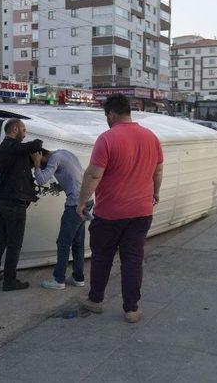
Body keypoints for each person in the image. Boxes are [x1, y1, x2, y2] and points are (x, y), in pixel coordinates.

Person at [76, 93, 164, 324]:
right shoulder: (151, 137)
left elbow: (94, 174)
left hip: (110, 213)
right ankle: (132, 309)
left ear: (111, 114)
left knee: (102, 257)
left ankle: (95, 300)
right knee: (133, 260)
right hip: (142, 212)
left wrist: (82, 201)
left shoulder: (106, 139)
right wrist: (155, 193)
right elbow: (158, 170)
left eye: (107, 115)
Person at [0, 119, 43, 291]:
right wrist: (37, 151)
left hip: (4, 202)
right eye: (23, 129)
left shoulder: (10, 150)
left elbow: (24, 160)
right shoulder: (10, 146)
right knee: (15, 243)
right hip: (14, 204)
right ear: (14, 129)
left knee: (3, 237)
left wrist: (35, 162)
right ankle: (9, 281)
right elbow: (36, 144)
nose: (25, 133)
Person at [32, 148, 92, 290]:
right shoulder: (64, 153)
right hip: (87, 199)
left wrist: (36, 163)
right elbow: (75, 175)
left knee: (63, 243)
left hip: (75, 203)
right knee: (77, 241)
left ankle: (58, 280)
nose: (43, 167)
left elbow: (41, 180)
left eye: (42, 164)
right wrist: (60, 186)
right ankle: (78, 278)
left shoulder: (54, 158)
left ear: (42, 155)